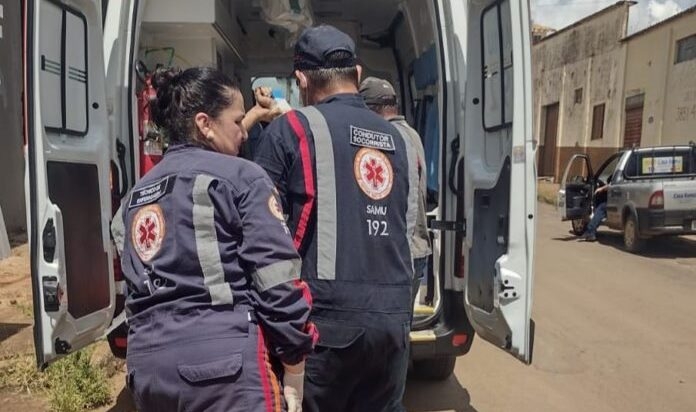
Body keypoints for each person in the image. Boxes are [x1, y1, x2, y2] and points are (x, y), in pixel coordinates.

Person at [110, 66, 316, 412]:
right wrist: (295, 364)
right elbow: (277, 281)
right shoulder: (243, 177)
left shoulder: (135, 196)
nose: (244, 133)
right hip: (224, 372)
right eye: (237, 122)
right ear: (205, 124)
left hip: (148, 372)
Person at [253, 25, 416, 412]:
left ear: (301, 79)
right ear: (357, 75)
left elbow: (258, 225)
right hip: (393, 316)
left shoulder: (290, 128)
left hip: (327, 321)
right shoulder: (395, 137)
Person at [359, 76, 432, 310]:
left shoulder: (387, 138)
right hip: (416, 248)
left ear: (369, 110)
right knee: (400, 330)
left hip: (400, 253)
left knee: (388, 334)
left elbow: (403, 200)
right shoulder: (412, 134)